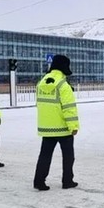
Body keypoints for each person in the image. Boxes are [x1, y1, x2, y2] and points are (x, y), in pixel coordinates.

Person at [33, 55, 79, 191]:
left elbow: (40, 104)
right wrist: (73, 126)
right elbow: (69, 108)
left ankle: (39, 181)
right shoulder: (63, 85)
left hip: (46, 127)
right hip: (63, 128)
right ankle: (67, 181)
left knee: (45, 155)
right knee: (68, 156)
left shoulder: (41, 83)